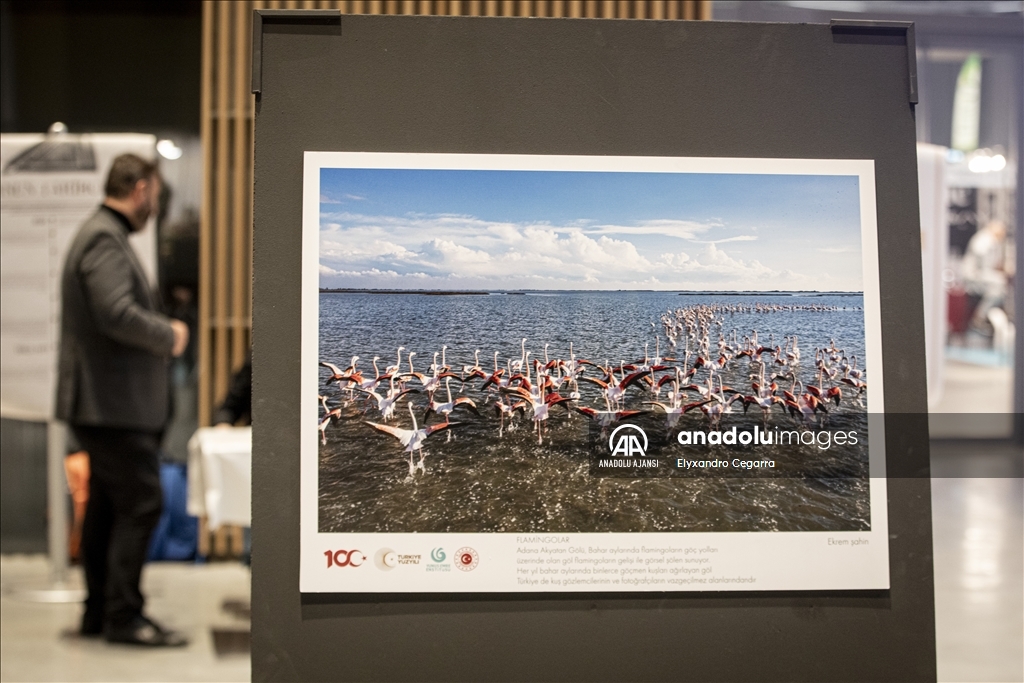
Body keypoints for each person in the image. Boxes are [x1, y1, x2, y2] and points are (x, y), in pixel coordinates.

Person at [56, 154, 190, 647]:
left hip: (106, 405)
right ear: (139, 189)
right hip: (112, 407)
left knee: (109, 509)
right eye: (155, 194)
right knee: (141, 505)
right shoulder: (103, 238)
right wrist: (169, 334)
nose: (155, 205)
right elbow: (114, 312)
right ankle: (124, 617)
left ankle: (100, 612)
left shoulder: (101, 235)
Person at [961, 219, 1009, 335]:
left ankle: (988, 317)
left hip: (980, 274)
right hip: (972, 277)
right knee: (999, 285)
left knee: (1000, 285)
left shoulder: (991, 241)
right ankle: (979, 319)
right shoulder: (984, 241)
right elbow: (982, 268)